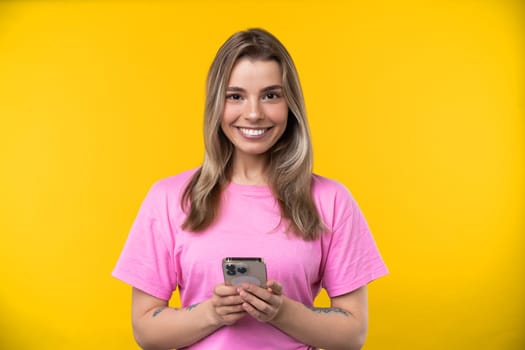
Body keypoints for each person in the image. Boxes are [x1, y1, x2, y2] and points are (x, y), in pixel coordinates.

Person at [112, 28, 388, 350]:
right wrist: (212, 313)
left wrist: (281, 312)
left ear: (290, 105)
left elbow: (353, 335)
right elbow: (145, 331)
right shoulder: (169, 199)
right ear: (217, 103)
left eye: (271, 95)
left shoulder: (332, 200)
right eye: (236, 96)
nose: (254, 113)